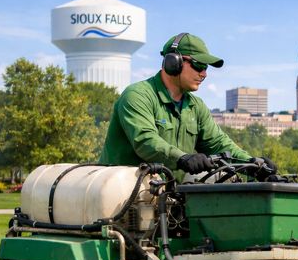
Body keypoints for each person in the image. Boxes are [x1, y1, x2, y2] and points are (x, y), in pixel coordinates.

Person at [99, 32, 275, 178]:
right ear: (173, 63)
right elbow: (146, 142)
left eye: (206, 67)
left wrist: (252, 164)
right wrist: (183, 158)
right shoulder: (137, 95)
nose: (204, 73)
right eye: (199, 65)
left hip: (167, 200)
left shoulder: (195, 106)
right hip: (122, 197)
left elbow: (219, 144)